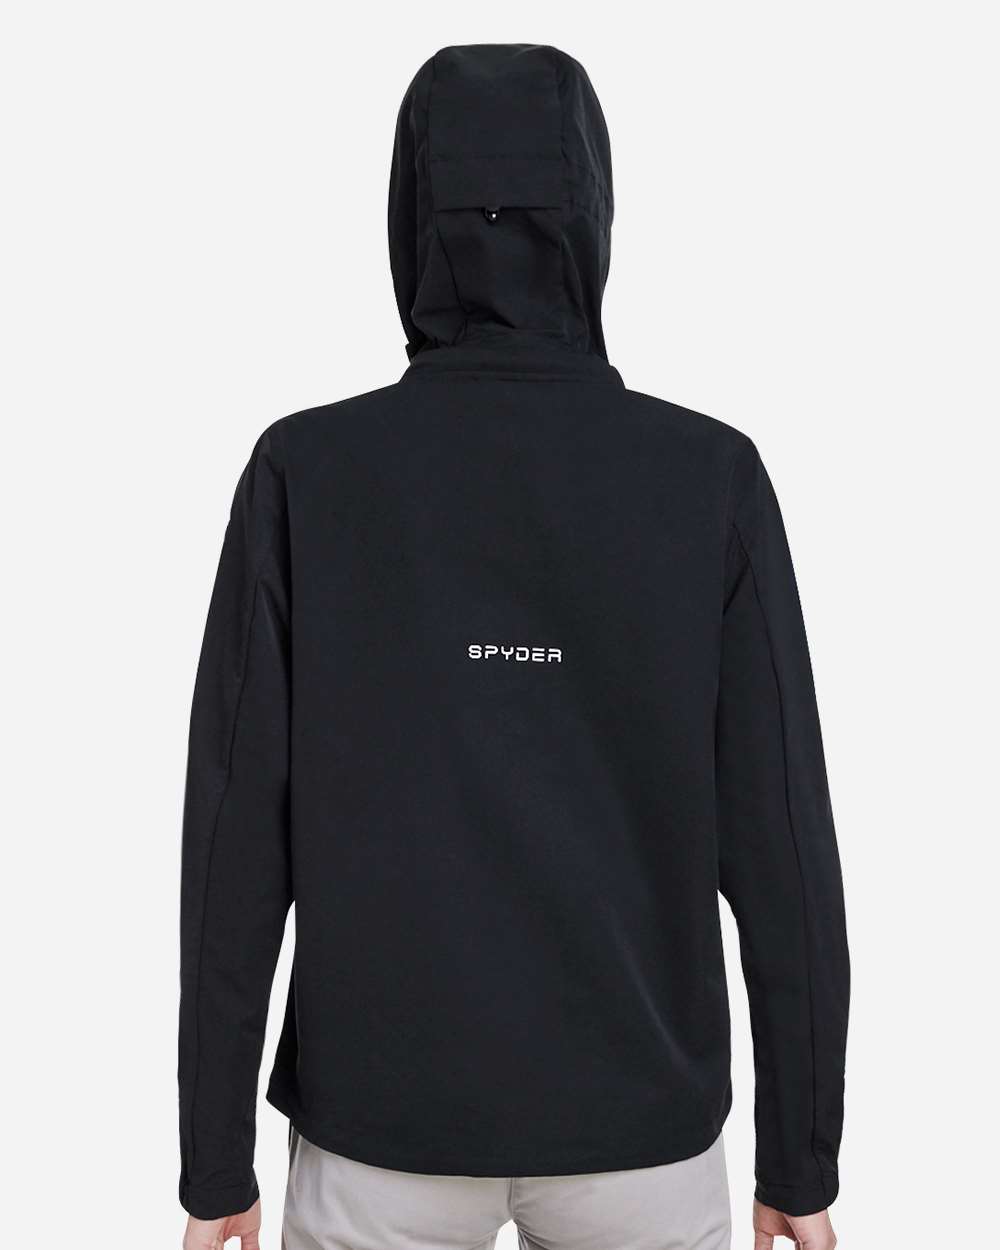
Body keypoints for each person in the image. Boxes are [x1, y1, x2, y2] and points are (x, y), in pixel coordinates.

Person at [178, 44, 849, 1250]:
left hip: (381, 1128)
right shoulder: (708, 477)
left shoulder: (307, 472)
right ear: (593, 212)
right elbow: (785, 843)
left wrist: (212, 1154)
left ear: (406, 216)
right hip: (639, 1131)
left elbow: (233, 841)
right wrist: (800, 1157)